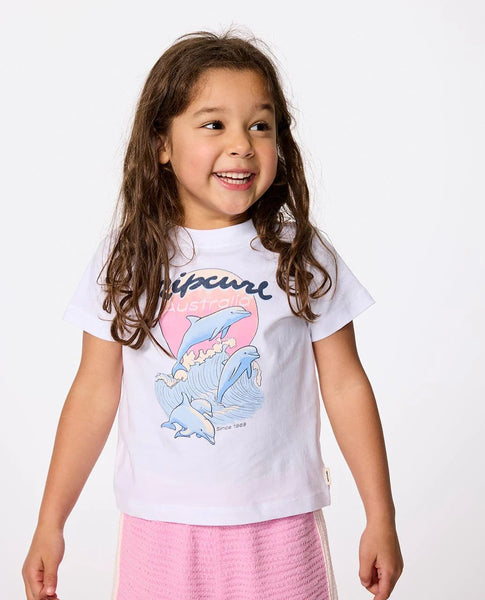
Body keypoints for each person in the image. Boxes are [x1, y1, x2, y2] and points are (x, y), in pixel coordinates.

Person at [22, 28, 403, 600]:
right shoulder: (130, 257)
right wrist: (50, 522)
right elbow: (95, 390)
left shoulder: (299, 253)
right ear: (162, 144)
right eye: (213, 124)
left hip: (280, 521)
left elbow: (346, 384)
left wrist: (381, 515)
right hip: (160, 527)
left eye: (260, 125)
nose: (242, 145)